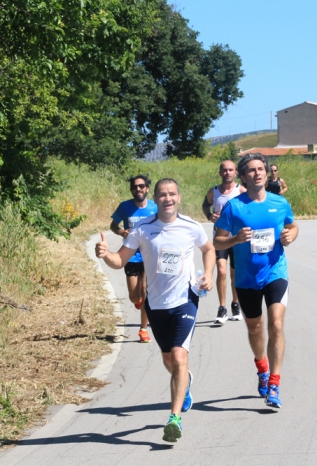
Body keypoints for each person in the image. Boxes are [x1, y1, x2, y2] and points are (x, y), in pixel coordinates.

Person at [96, 178, 214, 443]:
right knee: (169, 362)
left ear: (179, 198)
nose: (167, 198)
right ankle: (185, 382)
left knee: (179, 356)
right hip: (156, 305)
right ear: (156, 199)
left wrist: (207, 274)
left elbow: (208, 249)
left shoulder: (191, 227)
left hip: (185, 300)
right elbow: (119, 261)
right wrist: (105, 254)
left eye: (172, 194)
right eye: (162, 194)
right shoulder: (143, 229)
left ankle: (174, 419)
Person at [214, 154, 299, 409]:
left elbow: (293, 226)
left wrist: (290, 236)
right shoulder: (234, 207)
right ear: (243, 176)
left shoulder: (280, 202)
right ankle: (261, 367)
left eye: (261, 169)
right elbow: (217, 241)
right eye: (251, 170)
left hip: (276, 272)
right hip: (246, 278)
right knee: (255, 328)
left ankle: (274, 383)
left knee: (275, 324)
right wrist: (235, 240)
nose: (258, 173)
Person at [110, 175, 158, 343]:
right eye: (135, 187)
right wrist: (121, 232)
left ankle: (143, 329)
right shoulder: (124, 207)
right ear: (132, 190)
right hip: (131, 255)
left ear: (147, 188)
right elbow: (113, 226)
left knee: (145, 292)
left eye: (141, 186)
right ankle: (139, 303)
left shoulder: (155, 207)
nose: (138, 189)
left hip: (149, 255)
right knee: (133, 296)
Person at [202, 160, 246, 324]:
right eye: (224, 170)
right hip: (219, 240)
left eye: (230, 170)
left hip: (236, 240)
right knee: (221, 271)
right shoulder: (213, 192)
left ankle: (235, 304)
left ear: (235, 173)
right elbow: (205, 206)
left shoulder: (241, 191)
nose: (227, 173)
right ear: (220, 173)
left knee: (234, 275)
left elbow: (249, 210)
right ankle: (222, 308)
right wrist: (209, 216)